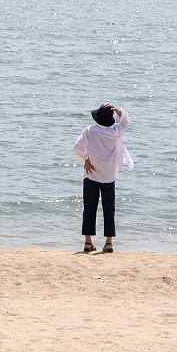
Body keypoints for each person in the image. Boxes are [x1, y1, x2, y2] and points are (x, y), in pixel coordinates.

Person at [73, 103, 133, 253]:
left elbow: (77, 147)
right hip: (109, 175)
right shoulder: (115, 132)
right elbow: (125, 121)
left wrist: (86, 158)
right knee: (108, 210)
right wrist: (117, 110)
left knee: (89, 209)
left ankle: (88, 243)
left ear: (97, 119)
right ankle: (108, 243)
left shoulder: (89, 131)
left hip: (91, 174)